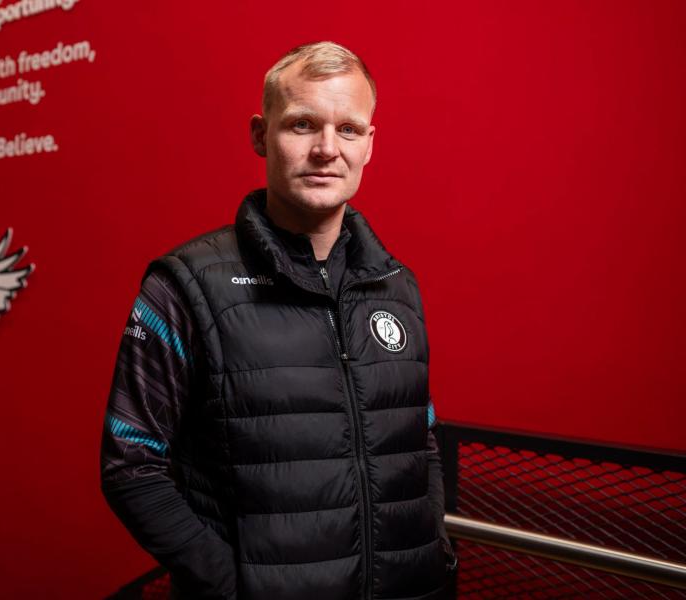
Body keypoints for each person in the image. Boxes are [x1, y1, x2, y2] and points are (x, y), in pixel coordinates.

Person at [100, 41, 457, 600]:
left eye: (348, 129)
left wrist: (430, 545)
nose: (325, 149)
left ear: (369, 145)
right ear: (260, 135)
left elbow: (422, 439)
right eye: (302, 124)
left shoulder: (397, 286)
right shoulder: (185, 285)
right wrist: (236, 586)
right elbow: (131, 464)